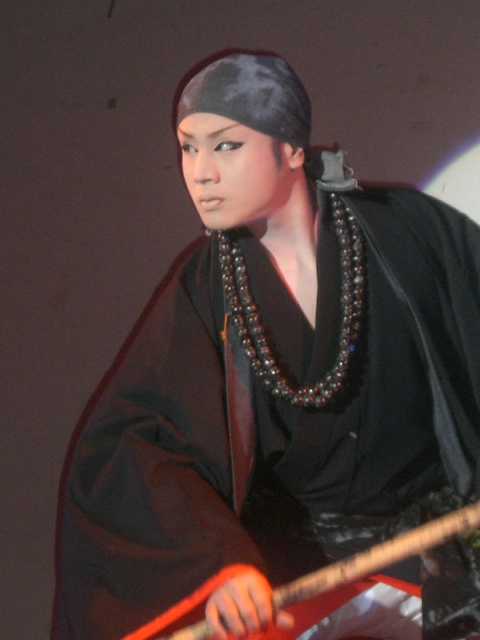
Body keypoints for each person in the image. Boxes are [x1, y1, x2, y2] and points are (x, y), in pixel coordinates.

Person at [53, 52, 480, 640]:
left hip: (437, 571)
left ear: (292, 150)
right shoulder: (206, 287)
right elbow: (139, 444)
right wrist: (219, 566)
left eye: (226, 145)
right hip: (289, 583)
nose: (201, 172)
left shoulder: (408, 233)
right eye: (188, 148)